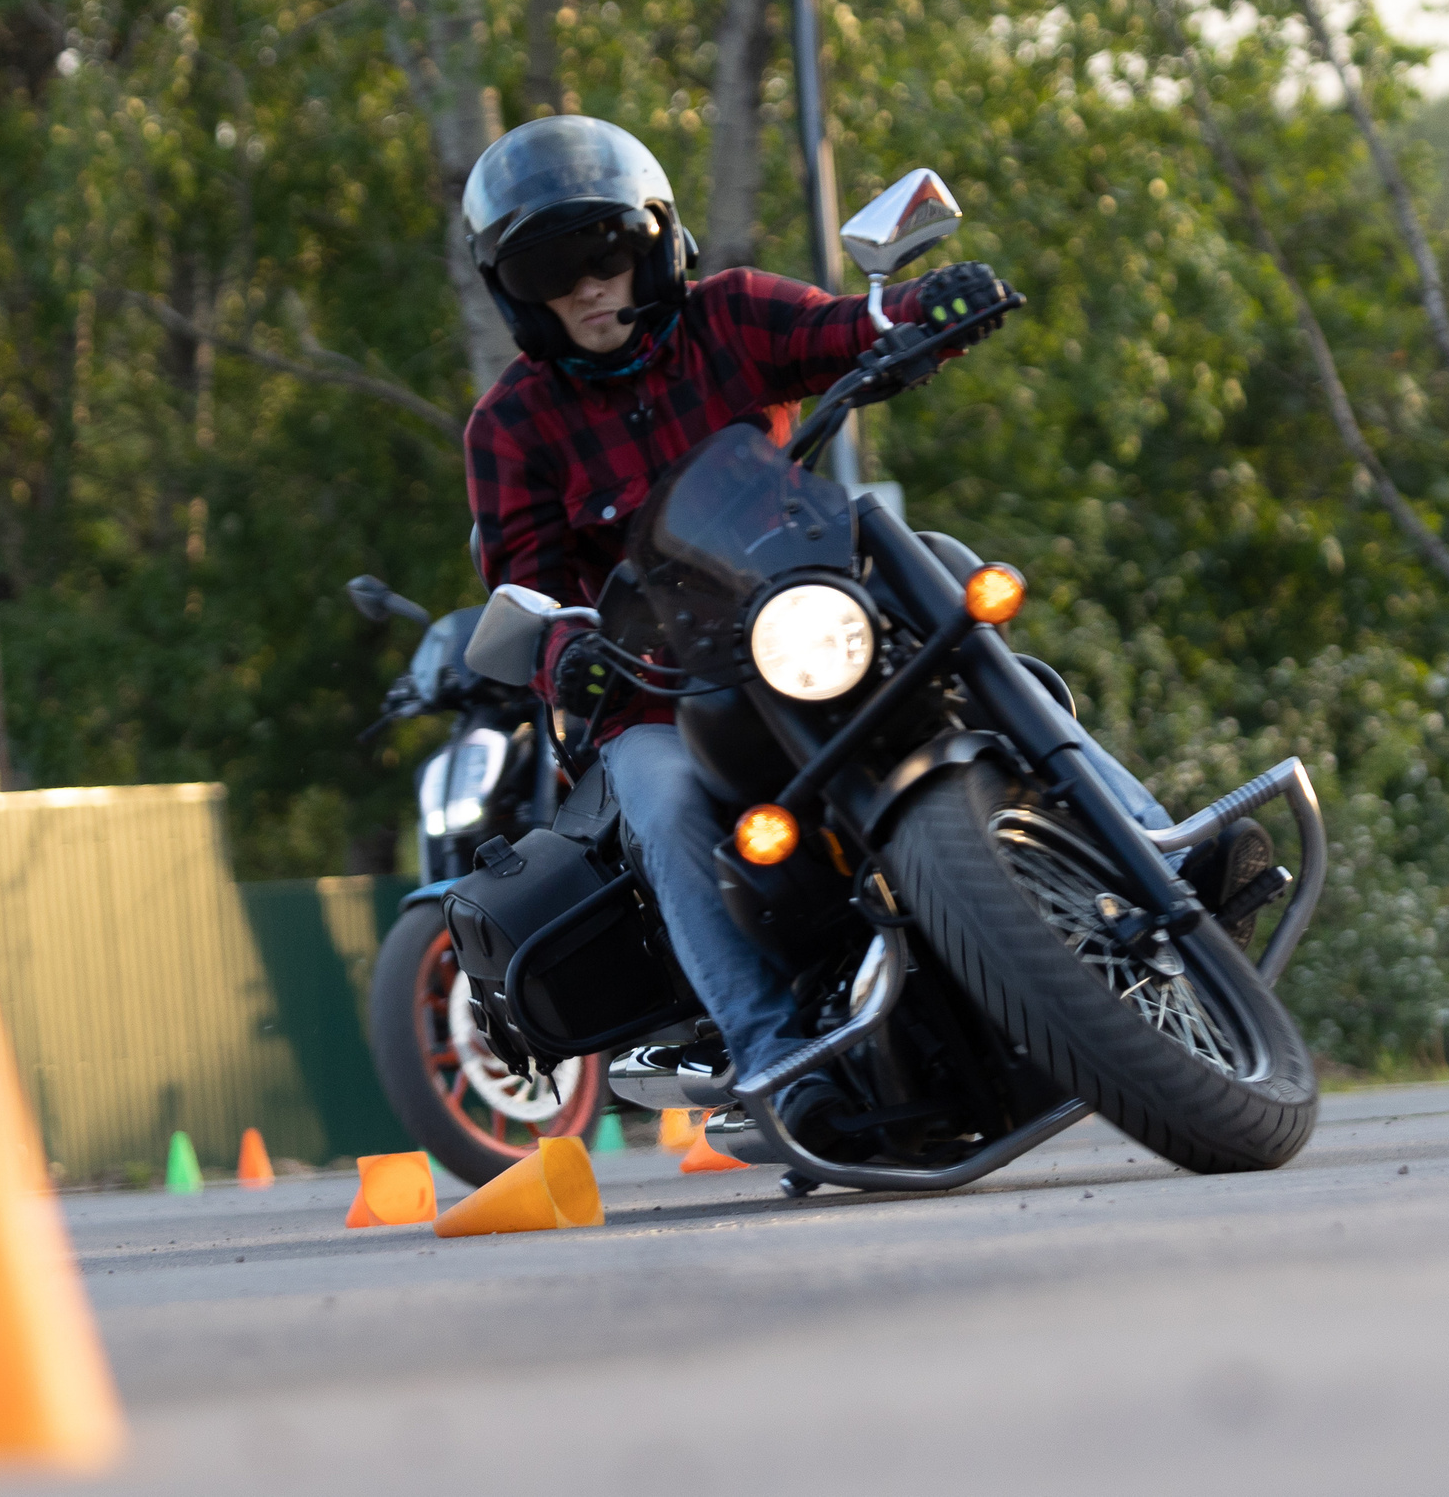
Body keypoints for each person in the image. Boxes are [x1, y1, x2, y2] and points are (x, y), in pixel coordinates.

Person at [457, 115, 1193, 1159]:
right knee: (659, 800)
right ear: (516, 293)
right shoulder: (509, 426)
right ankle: (776, 1062)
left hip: (802, 613)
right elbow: (524, 583)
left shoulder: (729, 314)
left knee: (946, 588)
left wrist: (927, 307)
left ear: (651, 244)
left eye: (604, 252)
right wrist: (560, 653)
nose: (584, 287)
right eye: (547, 271)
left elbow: (847, 328)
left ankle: (1157, 850)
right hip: (658, 690)